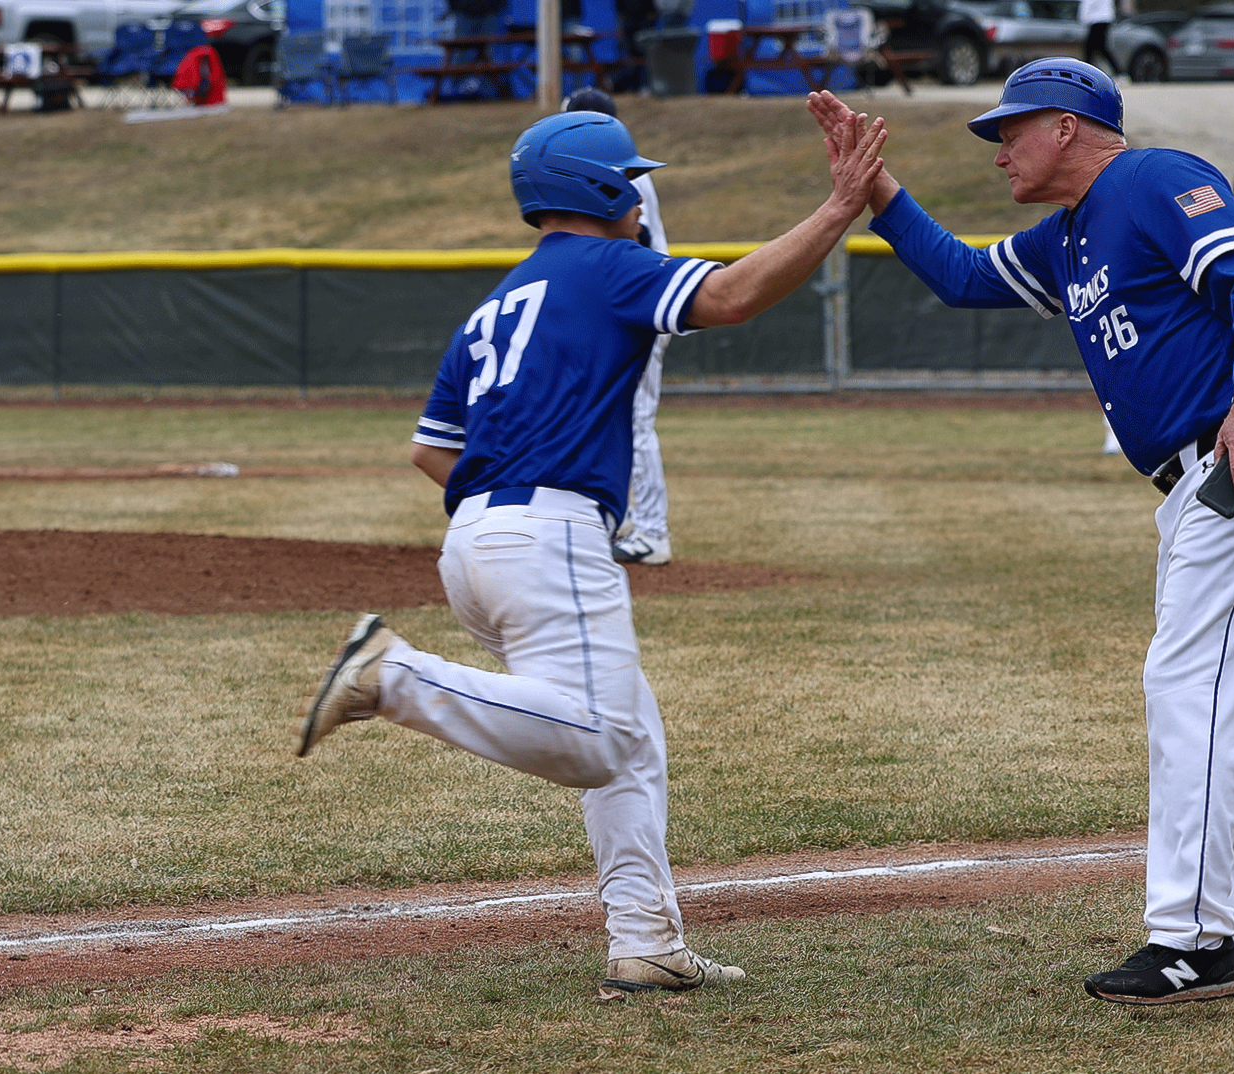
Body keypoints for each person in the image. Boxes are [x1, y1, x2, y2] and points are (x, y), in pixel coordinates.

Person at [296, 107, 886, 997]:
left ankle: (644, 940)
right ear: (601, 189)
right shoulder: (607, 265)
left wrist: (500, 509)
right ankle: (394, 676)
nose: (642, 198)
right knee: (604, 740)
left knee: (633, 738)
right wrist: (840, 206)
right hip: (549, 535)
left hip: (475, 542)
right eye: (631, 180)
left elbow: (430, 449)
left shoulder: (497, 301)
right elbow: (727, 296)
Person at [807, 59, 1234, 1005]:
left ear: (1066, 126)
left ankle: (1191, 942)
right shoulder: (1068, 237)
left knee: (1189, 689)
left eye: (1011, 129)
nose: (999, 148)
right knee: (1220, 703)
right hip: (1202, 476)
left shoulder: (1147, 179)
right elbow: (965, 278)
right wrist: (875, 189)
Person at [562, 86, 677, 565]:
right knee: (605, 416)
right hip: (623, 303)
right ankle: (619, 521)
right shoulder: (600, 168)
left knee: (635, 419)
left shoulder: (618, 173)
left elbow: (638, 243)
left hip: (640, 304)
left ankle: (652, 533)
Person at [1080, 0, 1121, 77]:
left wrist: (1084, 17)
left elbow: (1090, 4)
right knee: (1094, 48)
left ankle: (1085, 72)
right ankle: (1086, 71)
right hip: (1098, 19)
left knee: (1093, 47)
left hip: (1099, 19)